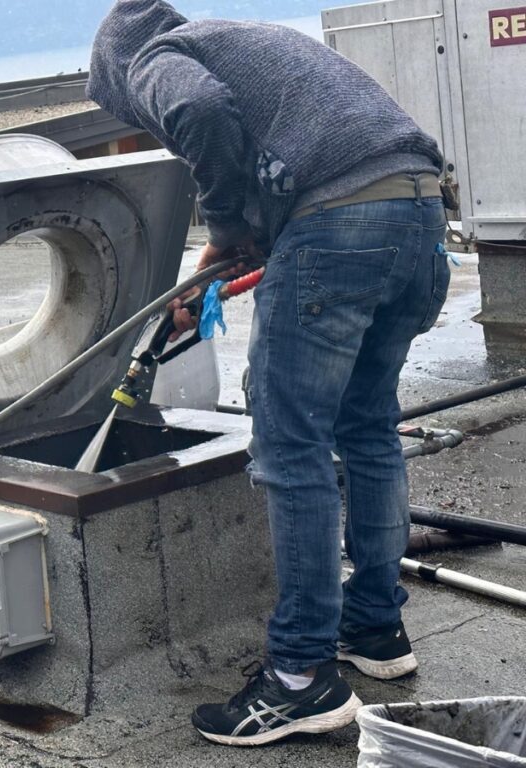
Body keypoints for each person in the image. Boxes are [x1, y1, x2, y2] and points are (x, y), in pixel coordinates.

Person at [87, 0, 450, 747]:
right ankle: (376, 630)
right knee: (369, 430)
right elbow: (301, 159)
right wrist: (233, 257)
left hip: (338, 227)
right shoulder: (244, 40)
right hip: (417, 215)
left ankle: (298, 679)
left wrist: (225, 228)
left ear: (118, 71)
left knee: (292, 452)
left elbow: (197, 111)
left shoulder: (155, 57)